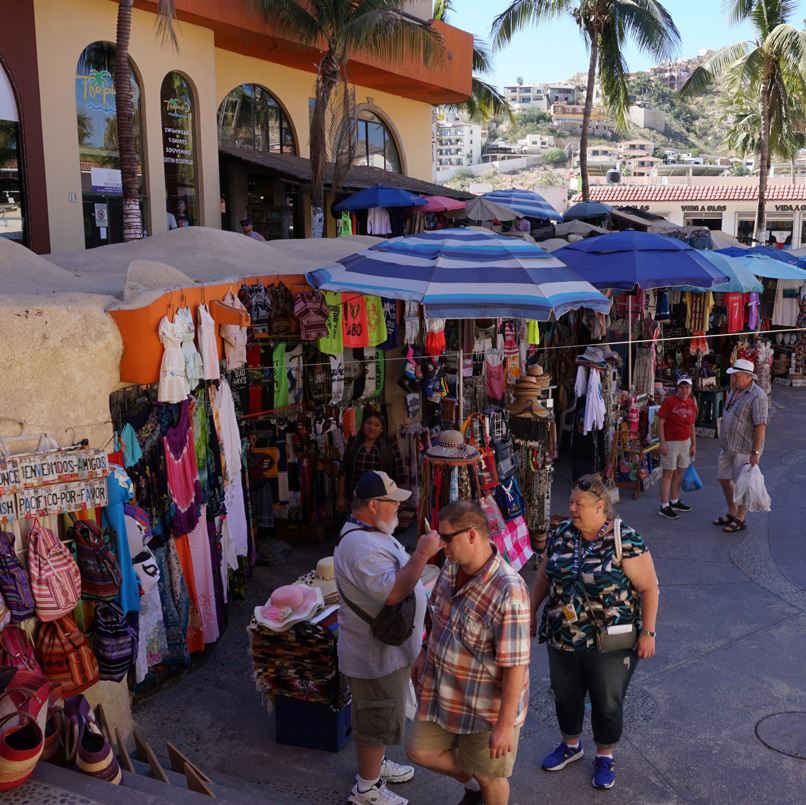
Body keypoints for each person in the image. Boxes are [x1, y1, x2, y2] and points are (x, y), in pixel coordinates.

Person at [531, 474, 659, 791]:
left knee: (607, 700)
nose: (572, 508)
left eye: (579, 504)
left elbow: (649, 588)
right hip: (563, 634)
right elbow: (544, 578)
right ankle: (571, 745)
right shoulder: (561, 532)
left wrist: (649, 633)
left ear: (600, 506)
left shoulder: (625, 538)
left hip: (610, 642)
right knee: (565, 694)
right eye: (571, 501)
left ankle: (605, 754)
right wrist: (531, 613)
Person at [406, 500, 530, 805]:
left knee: (492, 779)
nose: (440, 545)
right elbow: (437, 616)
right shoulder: (451, 566)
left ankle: (481, 786)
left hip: (484, 707)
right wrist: (423, 650)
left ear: (472, 535)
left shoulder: (508, 590)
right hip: (443, 693)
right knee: (420, 751)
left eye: (447, 538)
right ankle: (473, 786)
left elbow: (515, 665)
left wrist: (504, 725)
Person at [334, 470, 442, 805]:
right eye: (392, 502)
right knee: (375, 717)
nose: (398, 508)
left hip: (384, 650)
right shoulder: (360, 546)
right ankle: (366, 789)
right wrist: (423, 553)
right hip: (373, 654)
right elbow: (394, 592)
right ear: (372, 504)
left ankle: (375, 765)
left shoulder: (370, 532)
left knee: (381, 714)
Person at [714, 358, 768, 533]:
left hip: (744, 448)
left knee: (742, 483)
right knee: (723, 477)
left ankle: (740, 518)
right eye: (733, 376)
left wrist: (756, 452)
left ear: (748, 376)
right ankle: (733, 511)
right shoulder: (735, 390)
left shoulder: (757, 396)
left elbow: (760, 426)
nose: (733, 379)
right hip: (728, 445)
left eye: (736, 376)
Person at [338, 411, 404, 512]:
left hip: (381, 500)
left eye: (377, 425)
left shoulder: (389, 446)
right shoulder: (353, 444)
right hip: (356, 498)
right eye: (368, 423)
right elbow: (343, 471)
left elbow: (399, 475)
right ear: (363, 424)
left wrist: (396, 501)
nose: (372, 428)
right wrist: (341, 497)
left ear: (382, 429)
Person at [657, 375, 697, 519]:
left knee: (679, 473)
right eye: (682, 387)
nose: (684, 390)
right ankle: (664, 505)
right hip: (671, 442)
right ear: (677, 388)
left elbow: (692, 425)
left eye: (687, 387)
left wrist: (693, 444)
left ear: (691, 389)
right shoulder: (669, 402)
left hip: (685, 442)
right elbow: (661, 422)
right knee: (668, 474)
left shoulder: (692, 403)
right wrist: (662, 443)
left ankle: (674, 500)